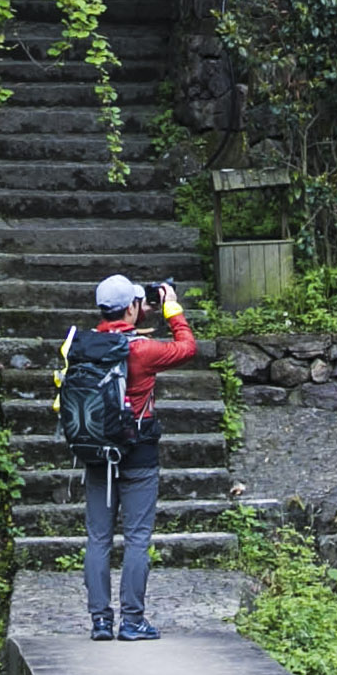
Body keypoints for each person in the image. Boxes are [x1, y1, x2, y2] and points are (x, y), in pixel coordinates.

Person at [80, 274, 196, 641]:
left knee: (98, 538)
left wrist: (138, 311)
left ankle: (100, 622)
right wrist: (171, 307)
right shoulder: (143, 350)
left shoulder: (82, 345)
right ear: (131, 307)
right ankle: (132, 622)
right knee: (136, 538)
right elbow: (187, 347)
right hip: (139, 452)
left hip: (96, 451)